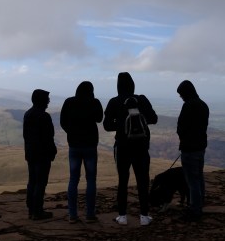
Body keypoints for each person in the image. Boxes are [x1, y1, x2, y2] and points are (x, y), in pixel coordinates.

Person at [103, 72, 158, 226]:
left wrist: (121, 125)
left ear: (118, 86)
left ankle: (122, 216)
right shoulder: (142, 99)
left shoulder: (114, 101)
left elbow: (107, 125)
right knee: (143, 180)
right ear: (133, 84)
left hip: (122, 147)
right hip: (141, 147)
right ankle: (144, 216)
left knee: (123, 180)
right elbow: (154, 119)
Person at [60, 81, 103, 224]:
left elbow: (62, 121)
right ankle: (90, 214)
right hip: (90, 145)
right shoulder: (94, 102)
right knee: (91, 179)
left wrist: (71, 132)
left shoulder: (69, 102)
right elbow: (99, 118)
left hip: (74, 145)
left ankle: (73, 215)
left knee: (73, 179)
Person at [176, 80, 209, 222]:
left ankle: (195, 210)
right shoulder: (203, 105)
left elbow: (181, 127)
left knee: (192, 181)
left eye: (181, 94)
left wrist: (183, 139)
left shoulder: (188, 106)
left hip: (189, 148)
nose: (181, 97)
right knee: (199, 177)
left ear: (186, 92)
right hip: (200, 147)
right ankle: (200, 204)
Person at [23, 88, 57, 220]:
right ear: (41, 100)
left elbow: (26, 136)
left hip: (31, 153)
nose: (49, 101)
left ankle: (31, 210)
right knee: (41, 182)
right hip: (42, 155)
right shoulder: (44, 116)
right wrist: (52, 151)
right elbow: (49, 137)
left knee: (32, 181)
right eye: (47, 99)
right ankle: (38, 211)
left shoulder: (28, 114)